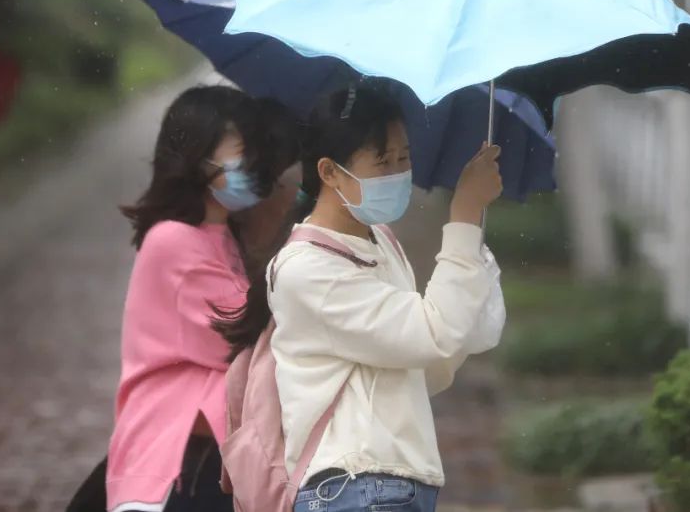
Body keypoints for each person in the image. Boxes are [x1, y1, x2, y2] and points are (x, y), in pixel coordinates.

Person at [216, 83, 506, 512]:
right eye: (383, 161)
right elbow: (435, 333)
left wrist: (470, 246)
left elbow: (434, 357)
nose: (397, 172)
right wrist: (462, 219)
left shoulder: (380, 242)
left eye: (404, 158)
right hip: (357, 486)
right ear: (330, 171)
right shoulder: (307, 269)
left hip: (391, 486)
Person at [103, 85, 299, 512]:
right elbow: (248, 337)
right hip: (174, 463)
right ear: (194, 155)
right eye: (240, 152)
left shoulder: (220, 236)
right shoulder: (176, 241)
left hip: (205, 458)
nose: (255, 166)